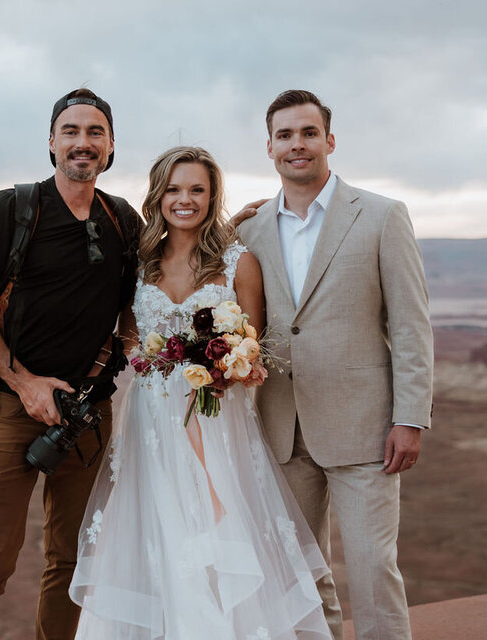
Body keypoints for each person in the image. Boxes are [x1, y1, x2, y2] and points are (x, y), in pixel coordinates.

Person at [69, 146, 333, 639]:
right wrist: (159, 356)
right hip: (151, 421)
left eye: (197, 189)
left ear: (213, 197)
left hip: (215, 422)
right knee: (160, 539)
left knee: (215, 536)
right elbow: (129, 333)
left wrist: (217, 364)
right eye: (173, 189)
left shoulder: (239, 263)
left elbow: (253, 346)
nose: (184, 199)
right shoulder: (140, 263)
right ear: (157, 196)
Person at [235, 90, 433, 640]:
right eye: (284, 135)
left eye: (308, 133)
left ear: (329, 140)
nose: (296, 145)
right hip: (281, 424)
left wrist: (410, 417)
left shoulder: (381, 216)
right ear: (269, 146)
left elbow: (412, 326)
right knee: (299, 573)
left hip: (366, 429)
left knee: (373, 569)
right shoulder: (249, 232)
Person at [0, 88, 140, 640]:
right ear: (51, 142)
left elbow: (147, 296)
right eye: (71, 131)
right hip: (11, 409)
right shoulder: (12, 209)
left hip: (87, 415)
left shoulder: (122, 219)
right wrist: (25, 383)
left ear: (110, 147)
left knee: (72, 564)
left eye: (95, 132)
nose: (83, 142)